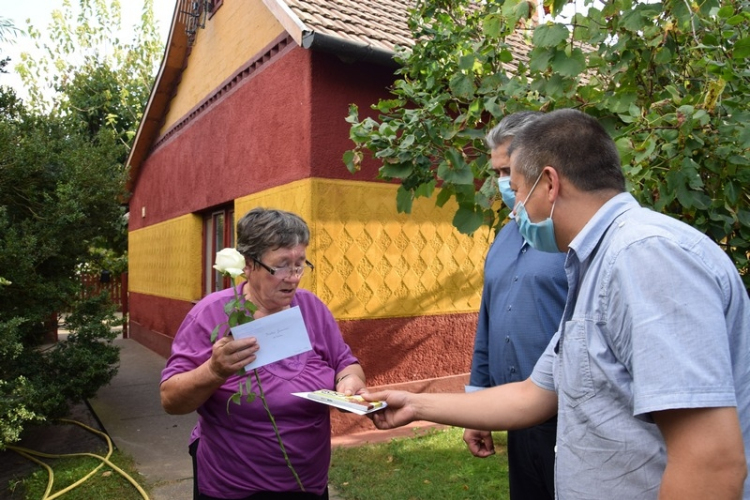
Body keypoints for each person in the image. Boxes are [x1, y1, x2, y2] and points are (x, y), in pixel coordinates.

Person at [366, 109, 750, 499]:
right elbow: (531, 395)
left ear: (549, 183)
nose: (515, 208)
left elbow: (711, 461)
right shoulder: (595, 263)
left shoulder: (644, 257)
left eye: (516, 190)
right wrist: (414, 404)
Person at [161, 207, 366, 500]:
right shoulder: (210, 315)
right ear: (248, 265)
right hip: (232, 487)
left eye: (299, 264)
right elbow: (171, 400)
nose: (293, 278)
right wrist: (214, 371)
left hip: (308, 483)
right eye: (281, 266)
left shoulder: (312, 308)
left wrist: (349, 381)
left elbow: (345, 362)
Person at [463, 111, 567, 500]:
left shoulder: (573, 237)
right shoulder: (504, 237)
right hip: (515, 417)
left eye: (509, 171)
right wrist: (478, 406)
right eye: (497, 173)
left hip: (569, 419)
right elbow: (488, 323)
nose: (503, 183)